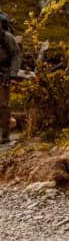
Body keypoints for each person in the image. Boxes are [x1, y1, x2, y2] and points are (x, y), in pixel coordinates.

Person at [0, 12, 22, 144]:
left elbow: (16, 55)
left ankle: (5, 136)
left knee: (3, 105)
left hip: (5, 74)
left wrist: (13, 74)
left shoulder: (7, 38)